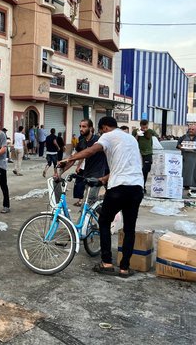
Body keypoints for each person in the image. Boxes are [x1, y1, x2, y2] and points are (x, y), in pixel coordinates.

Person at [60, 116, 144, 278]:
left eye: (100, 130)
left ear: (104, 128)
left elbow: (92, 150)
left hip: (119, 188)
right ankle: (124, 268)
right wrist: (102, 179)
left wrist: (69, 159)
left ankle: (106, 263)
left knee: (104, 221)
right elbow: (126, 166)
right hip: (136, 188)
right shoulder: (131, 139)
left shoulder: (108, 135)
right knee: (129, 229)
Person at [64, 119, 108, 206]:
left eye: (84, 126)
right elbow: (73, 158)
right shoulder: (81, 142)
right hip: (87, 176)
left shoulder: (99, 140)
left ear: (90, 128)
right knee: (91, 205)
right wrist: (60, 172)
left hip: (98, 176)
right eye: (80, 126)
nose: (81, 129)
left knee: (87, 204)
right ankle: (103, 216)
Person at [132, 120, 158, 193]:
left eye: (146, 127)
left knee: (145, 170)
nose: (144, 128)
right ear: (140, 125)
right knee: (138, 170)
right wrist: (138, 134)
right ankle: (139, 186)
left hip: (148, 153)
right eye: (143, 127)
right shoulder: (136, 131)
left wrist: (147, 132)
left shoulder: (150, 131)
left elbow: (157, 136)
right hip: (139, 152)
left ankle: (143, 185)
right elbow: (133, 140)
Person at [177, 124, 196, 197]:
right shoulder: (184, 137)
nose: (190, 131)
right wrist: (181, 147)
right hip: (186, 157)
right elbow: (178, 144)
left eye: (192, 129)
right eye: (190, 129)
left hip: (194, 158)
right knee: (186, 172)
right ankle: (186, 185)